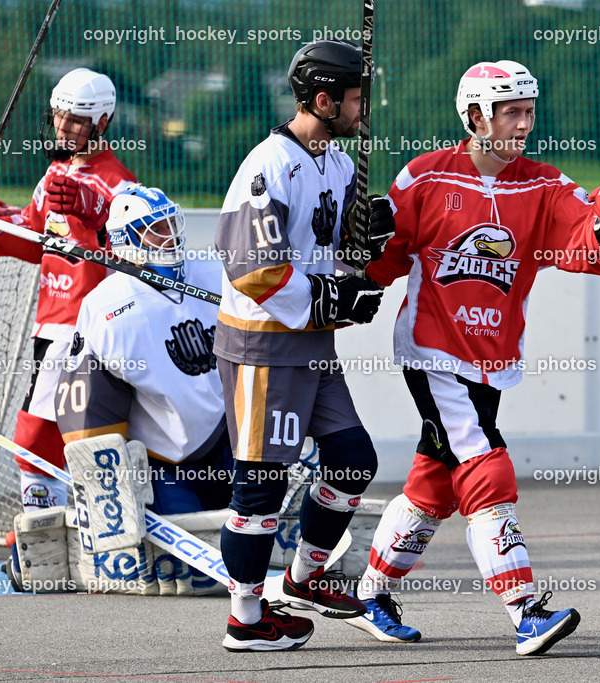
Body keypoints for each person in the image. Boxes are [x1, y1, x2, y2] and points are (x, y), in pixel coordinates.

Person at [344, 60, 600, 655]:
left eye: (529, 111)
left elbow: (586, 248)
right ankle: (525, 610)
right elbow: (381, 262)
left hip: (492, 358)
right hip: (433, 351)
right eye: (511, 112)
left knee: (434, 486)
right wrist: (354, 264)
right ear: (475, 116)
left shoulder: (543, 185)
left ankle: (371, 593)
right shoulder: (424, 178)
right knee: (488, 467)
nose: (524, 124)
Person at [213, 39, 394, 652]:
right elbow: (254, 268)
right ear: (322, 99)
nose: (363, 110)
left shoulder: (338, 163)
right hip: (264, 347)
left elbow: (336, 250)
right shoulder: (268, 167)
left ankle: (305, 577)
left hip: (312, 346)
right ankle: (245, 618)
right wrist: (329, 301)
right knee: (261, 484)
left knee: (353, 460)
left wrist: (366, 238)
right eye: (354, 98)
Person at [0, 68, 137, 512]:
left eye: (76, 120)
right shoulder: (53, 174)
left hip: (85, 327)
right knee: (48, 433)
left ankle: (55, 526)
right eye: (58, 116)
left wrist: (97, 219)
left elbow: (135, 252)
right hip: (51, 324)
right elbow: (35, 234)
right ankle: (50, 526)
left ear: (102, 122)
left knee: (44, 432)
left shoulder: (120, 183)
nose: (64, 127)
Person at [52, 184, 231, 595]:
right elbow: (84, 405)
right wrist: (104, 486)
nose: (170, 235)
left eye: (171, 223)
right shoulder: (106, 308)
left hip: (230, 442)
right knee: (188, 576)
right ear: (125, 241)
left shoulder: (213, 273)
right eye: (155, 229)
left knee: (265, 531)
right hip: (165, 464)